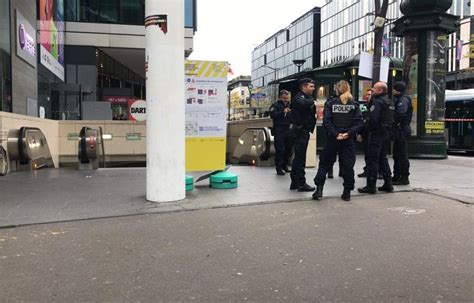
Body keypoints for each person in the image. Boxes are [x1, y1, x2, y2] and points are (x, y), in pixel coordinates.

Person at [313, 80, 364, 201]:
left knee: (324, 163)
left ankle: (319, 189)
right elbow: (359, 123)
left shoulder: (330, 103)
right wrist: (348, 133)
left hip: (333, 139)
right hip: (348, 140)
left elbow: (326, 122)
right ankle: (347, 192)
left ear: (337, 89)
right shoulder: (354, 104)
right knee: (348, 165)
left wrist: (336, 134)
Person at [358, 82, 395, 194]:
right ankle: (388, 183)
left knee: (372, 160)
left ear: (380, 91)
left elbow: (373, 119)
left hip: (376, 134)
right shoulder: (389, 101)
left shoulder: (377, 102)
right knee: (383, 159)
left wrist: (366, 128)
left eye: (374, 88)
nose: (372, 90)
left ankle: (371, 185)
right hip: (386, 133)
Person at [289, 78, 317, 192]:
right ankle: (301, 183)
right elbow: (302, 105)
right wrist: (313, 102)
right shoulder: (299, 97)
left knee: (299, 158)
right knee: (300, 158)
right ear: (303, 87)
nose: (313, 88)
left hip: (304, 130)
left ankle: (295, 181)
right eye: (311, 86)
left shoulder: (307, 98)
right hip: (300, 131)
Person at [391, 81, 412, 185]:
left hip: (401, 129)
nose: (393, 91)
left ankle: (403, 177)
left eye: (394, 89)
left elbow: (401, 115)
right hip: (400, 129)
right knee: (397, 154)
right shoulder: (400, 99)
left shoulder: (402, 100)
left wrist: (394, 121)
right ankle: (396, 176)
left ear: (397, 90)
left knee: (402, 154)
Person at [269, 90, 294, 175]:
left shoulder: (291, 105)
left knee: (289, 149)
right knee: (280, 150)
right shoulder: (275, 105)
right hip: (279, 130)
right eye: (284, 98)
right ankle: (279, 168)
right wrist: (283, 112)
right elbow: (273, 115)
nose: (286, 100)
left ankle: (285, 166)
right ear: (280, 97)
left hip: (289, 129)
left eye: (287, 98)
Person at [356, 89, 372, 177]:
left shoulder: (376, 105)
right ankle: (367, 170)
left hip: (373, 133)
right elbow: (361, 120)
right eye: (366, 94)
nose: (367, 96)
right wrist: (359, 133)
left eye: (369, 94)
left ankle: (379, 172)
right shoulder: (363, 106)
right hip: (365, 132)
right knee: (367, 153)